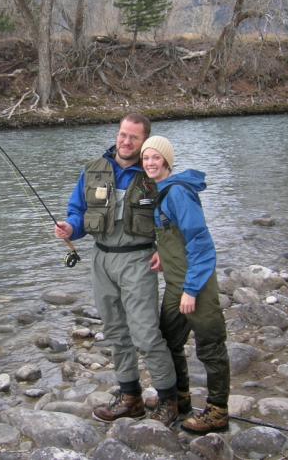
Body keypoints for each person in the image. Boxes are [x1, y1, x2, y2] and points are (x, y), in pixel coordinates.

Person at [54, 114, 178, 426]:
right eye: (123, 134)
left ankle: (168, 400)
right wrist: (70, 227)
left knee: (146, 334)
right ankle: (130, 398)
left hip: (138, 260)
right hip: (101, 260)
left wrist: (165, 250)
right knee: (115, 332)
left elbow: (173, 219)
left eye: (134, 138)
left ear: (144, 140)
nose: (126, 141)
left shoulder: (154, 172)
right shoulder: (94, 169)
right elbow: (79, 212)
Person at [140, 135, 230, 434]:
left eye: (156, 158)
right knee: (168, 339)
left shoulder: (178, 192)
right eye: (146, 158)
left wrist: (191, 290)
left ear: (167, 161)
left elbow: (201, 243)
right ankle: (180, 399)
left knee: (210, 346)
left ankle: (217, 411)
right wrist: (162, 253)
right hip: (176, 284)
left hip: (197, 285)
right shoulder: (159, 191)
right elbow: (174, 234)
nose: (150, 163)